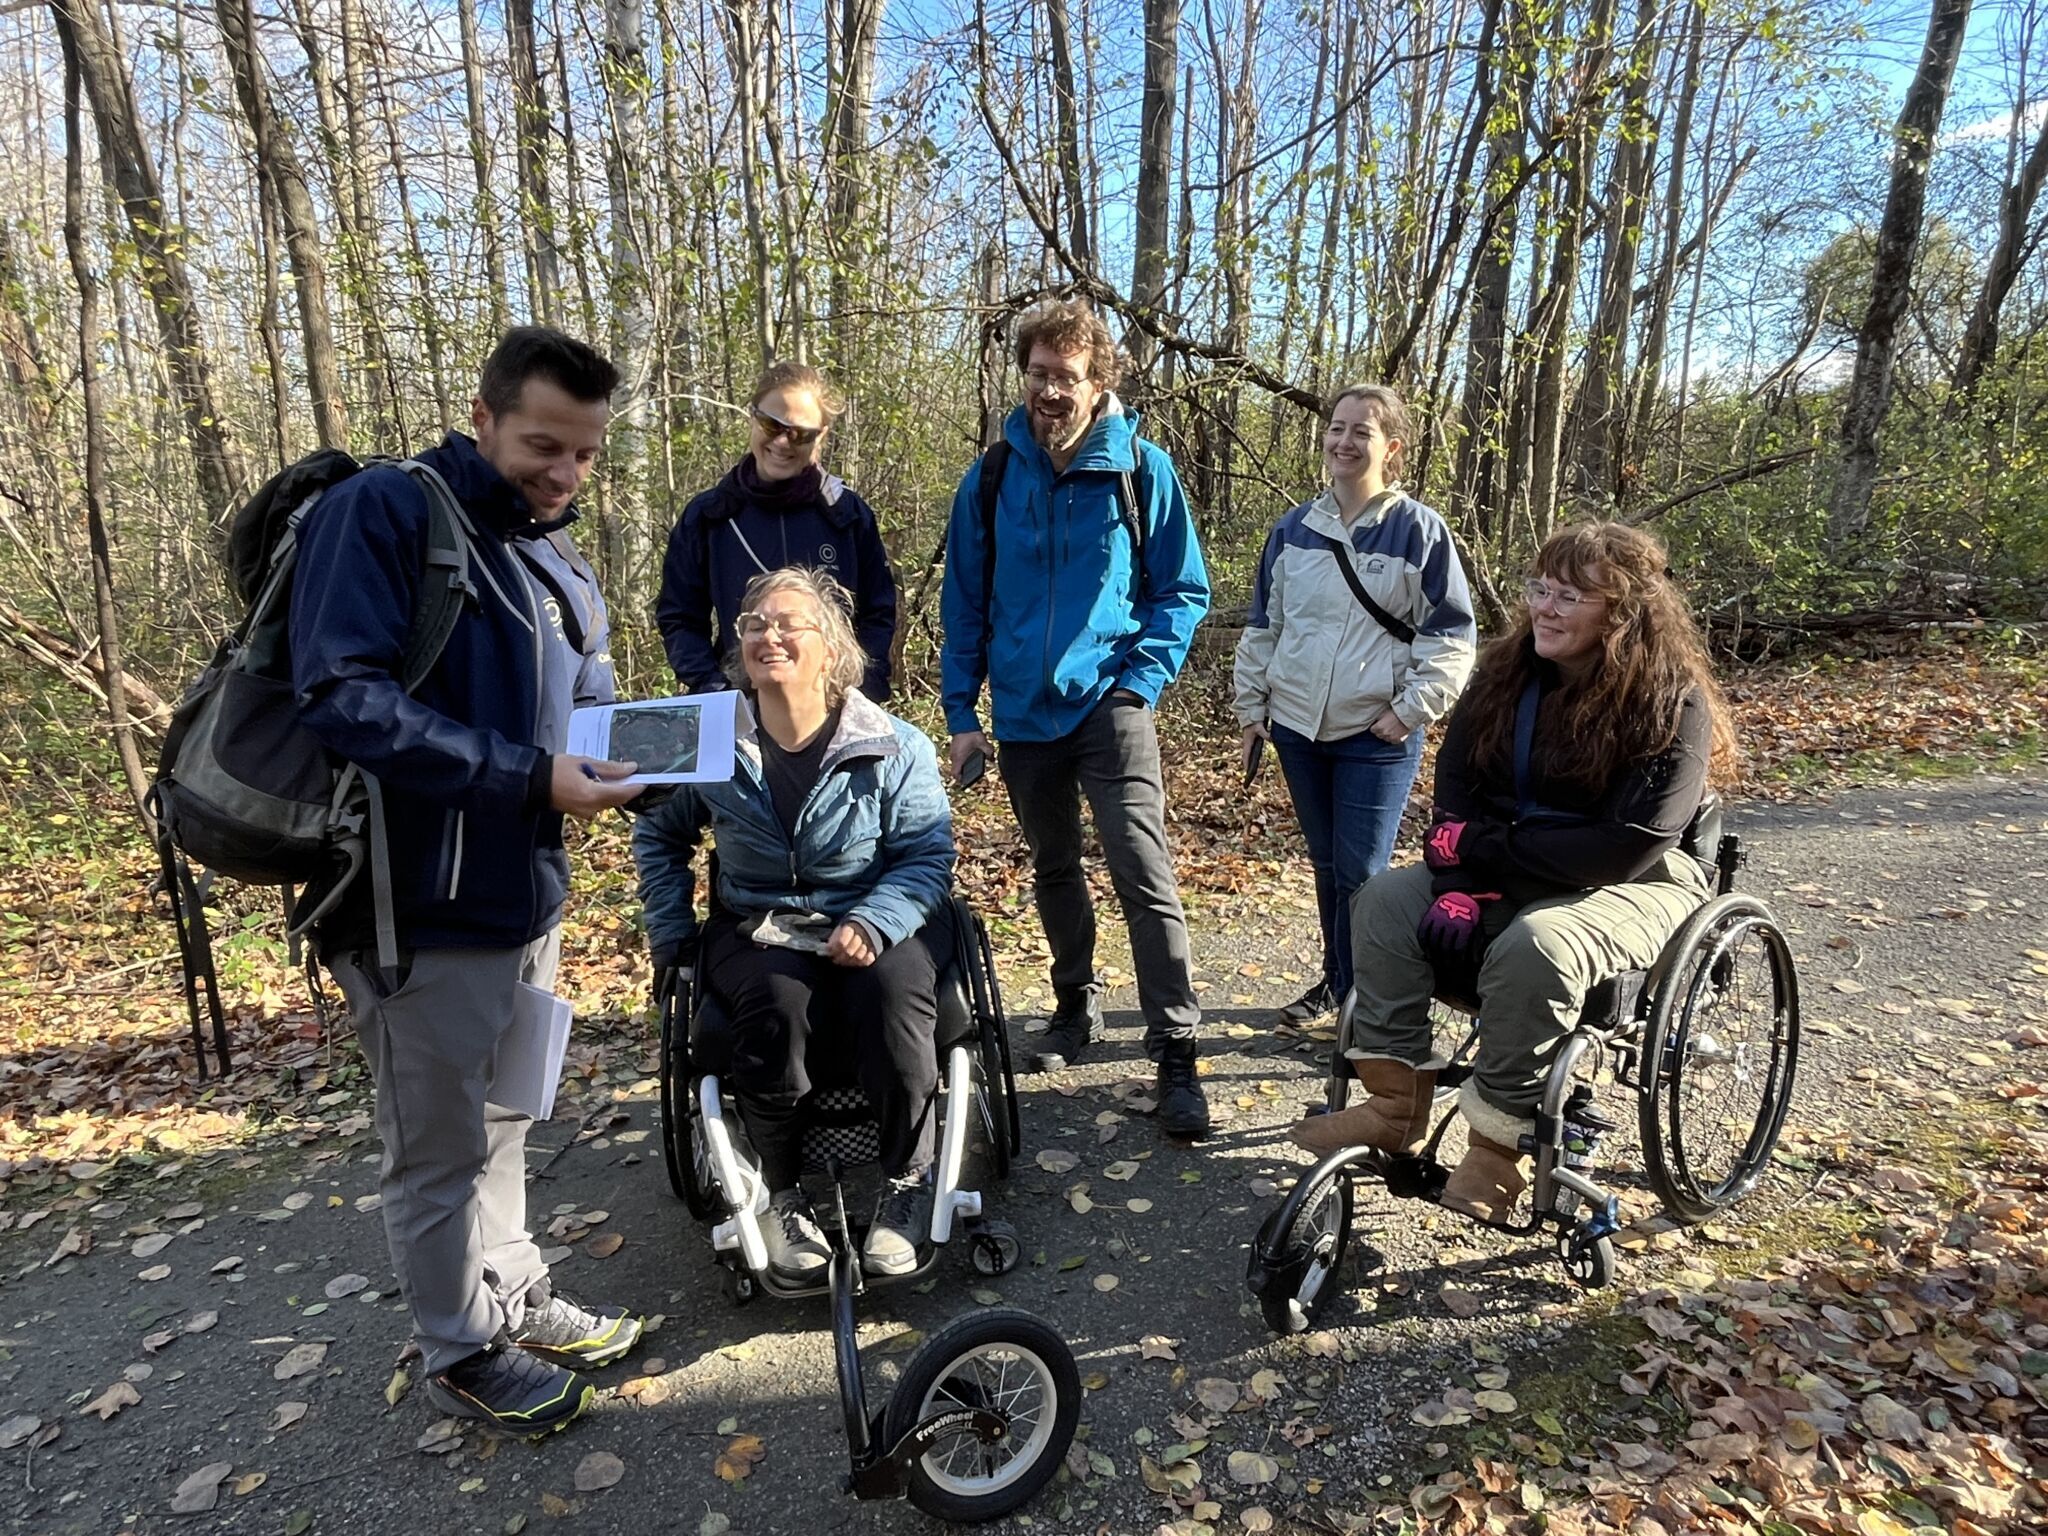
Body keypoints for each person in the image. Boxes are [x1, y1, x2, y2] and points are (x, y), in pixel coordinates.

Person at [290, 326, 647, 1435]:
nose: (565, 473)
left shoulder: (552, 555)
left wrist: (655, 754)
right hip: (416, 905)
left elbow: (582, 712)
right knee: (437, 1146)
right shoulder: (387, 514)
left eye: (585, 454)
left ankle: (515, 1295)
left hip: (523, 898)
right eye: (544, 443)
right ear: (483, 417)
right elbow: (338, 695)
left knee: (501, 1121)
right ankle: (457, 1346)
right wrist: (528, 776)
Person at [1289, 522, 1736, 1223]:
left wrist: (1484, 852)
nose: (1545, 608)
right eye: (1541, 589)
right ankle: (1393, 1105)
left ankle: (1498, 1146)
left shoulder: (1671, 704)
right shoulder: (1503, 676)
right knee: (1378, 902)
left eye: (1570, 596)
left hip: (1636, 881)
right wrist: (1459, 882)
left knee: (1540, 944)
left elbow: (1622, 847)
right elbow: (1456, 795)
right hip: (1509, 862)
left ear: (1622, 613)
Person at [940, 299, 1213, 1140]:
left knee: (1141, 868)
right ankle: (1074, 1005)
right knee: (1054, 865)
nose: (1051, 390)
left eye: (1068, 376)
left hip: (1111, 701)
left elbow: (1182, 590)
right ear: (1022, 375)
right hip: (1023, 712)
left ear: (1100, 383)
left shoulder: (1142, 469)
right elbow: (965, 603)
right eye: (1039, 374)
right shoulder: (991, 477)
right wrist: (962, 712)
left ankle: (1176, 1050)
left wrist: (1141, 683)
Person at [635, 567, 955, 1283]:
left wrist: (874, 920)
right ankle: (782, 1192)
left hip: (873, 912)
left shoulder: (894, 744)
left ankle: (906, 1182)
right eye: (753, 625)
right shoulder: (710, 742)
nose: (767, 635)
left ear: (832, 649)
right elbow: (658, 835)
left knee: (894, 995)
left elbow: (928, 854)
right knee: (775, 1002)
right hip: (758, 923)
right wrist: (669, 931)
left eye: (787, 623)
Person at [1233, 384, 1475, 1028]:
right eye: (1336, 428)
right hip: (1298, 728)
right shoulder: (1292, 529)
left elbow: (1451, 636)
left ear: (1390, 449)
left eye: (1360, 432)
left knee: (1364, 875)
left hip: (1376, 734)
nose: (1342, 441)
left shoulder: (1418, 531)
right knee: (1327, 865)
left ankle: (1372, 997)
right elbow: (1266, 625)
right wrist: (1253, 707)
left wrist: (1409, 711)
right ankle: (1338, 984)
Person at [657, 361, 898, 700]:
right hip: (740, 705)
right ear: (752, 418)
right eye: (772, 425)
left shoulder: (848, 516)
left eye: (800, 433)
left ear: (821, 436)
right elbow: (680, 617)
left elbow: (878, 613)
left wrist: (861, 691)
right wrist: (714, 688)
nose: (783, 442)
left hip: (834, 705)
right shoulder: (709, 517)